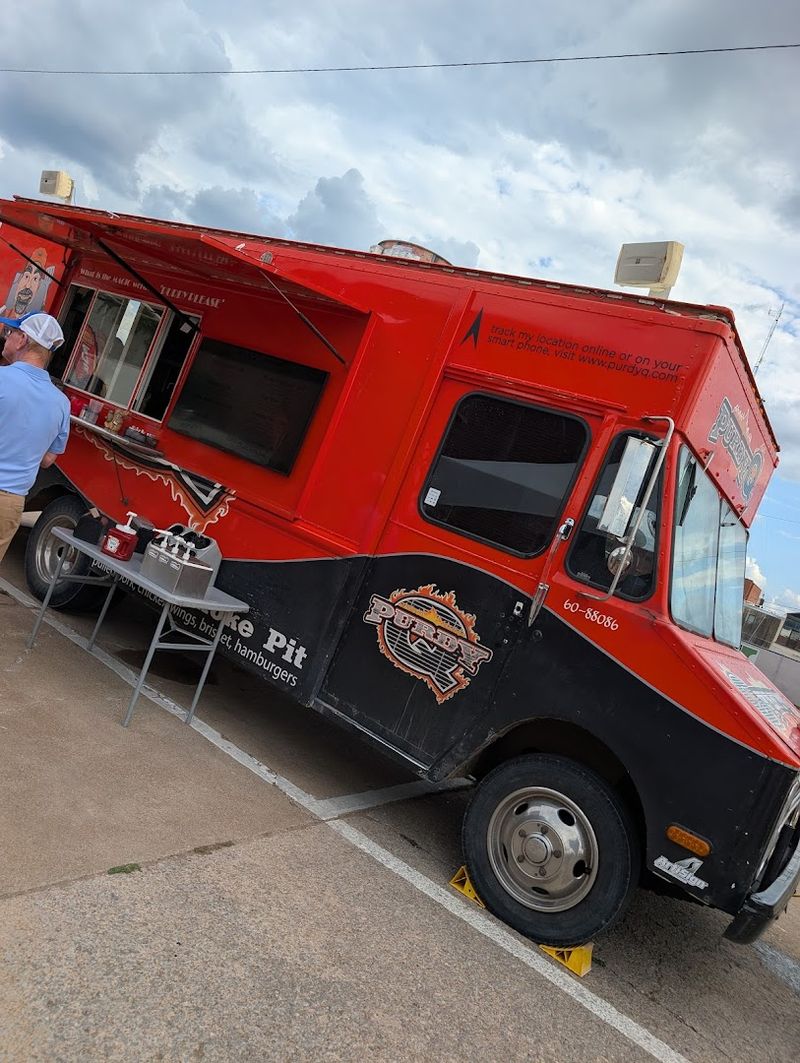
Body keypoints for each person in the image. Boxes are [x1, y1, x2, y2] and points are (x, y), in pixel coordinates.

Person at [0, 311, 70, 565]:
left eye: (10, 332)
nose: (6, 338)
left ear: (22, 339)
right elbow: (48, 460)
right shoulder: (61, 403)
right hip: (10, 503)